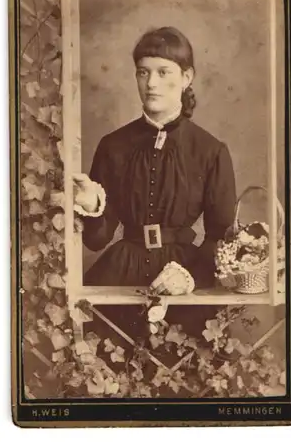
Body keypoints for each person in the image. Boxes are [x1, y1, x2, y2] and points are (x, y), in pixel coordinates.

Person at [74, 26, 236, 340]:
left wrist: (190, 277)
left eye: (163, 72)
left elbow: (222, 238)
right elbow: (96, 240)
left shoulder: (210, 150)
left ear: (187, 77)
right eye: (143, 73)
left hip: (183, 275)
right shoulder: (113, 145)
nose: (151, 84)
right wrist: (93, 206)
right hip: (119, 272)